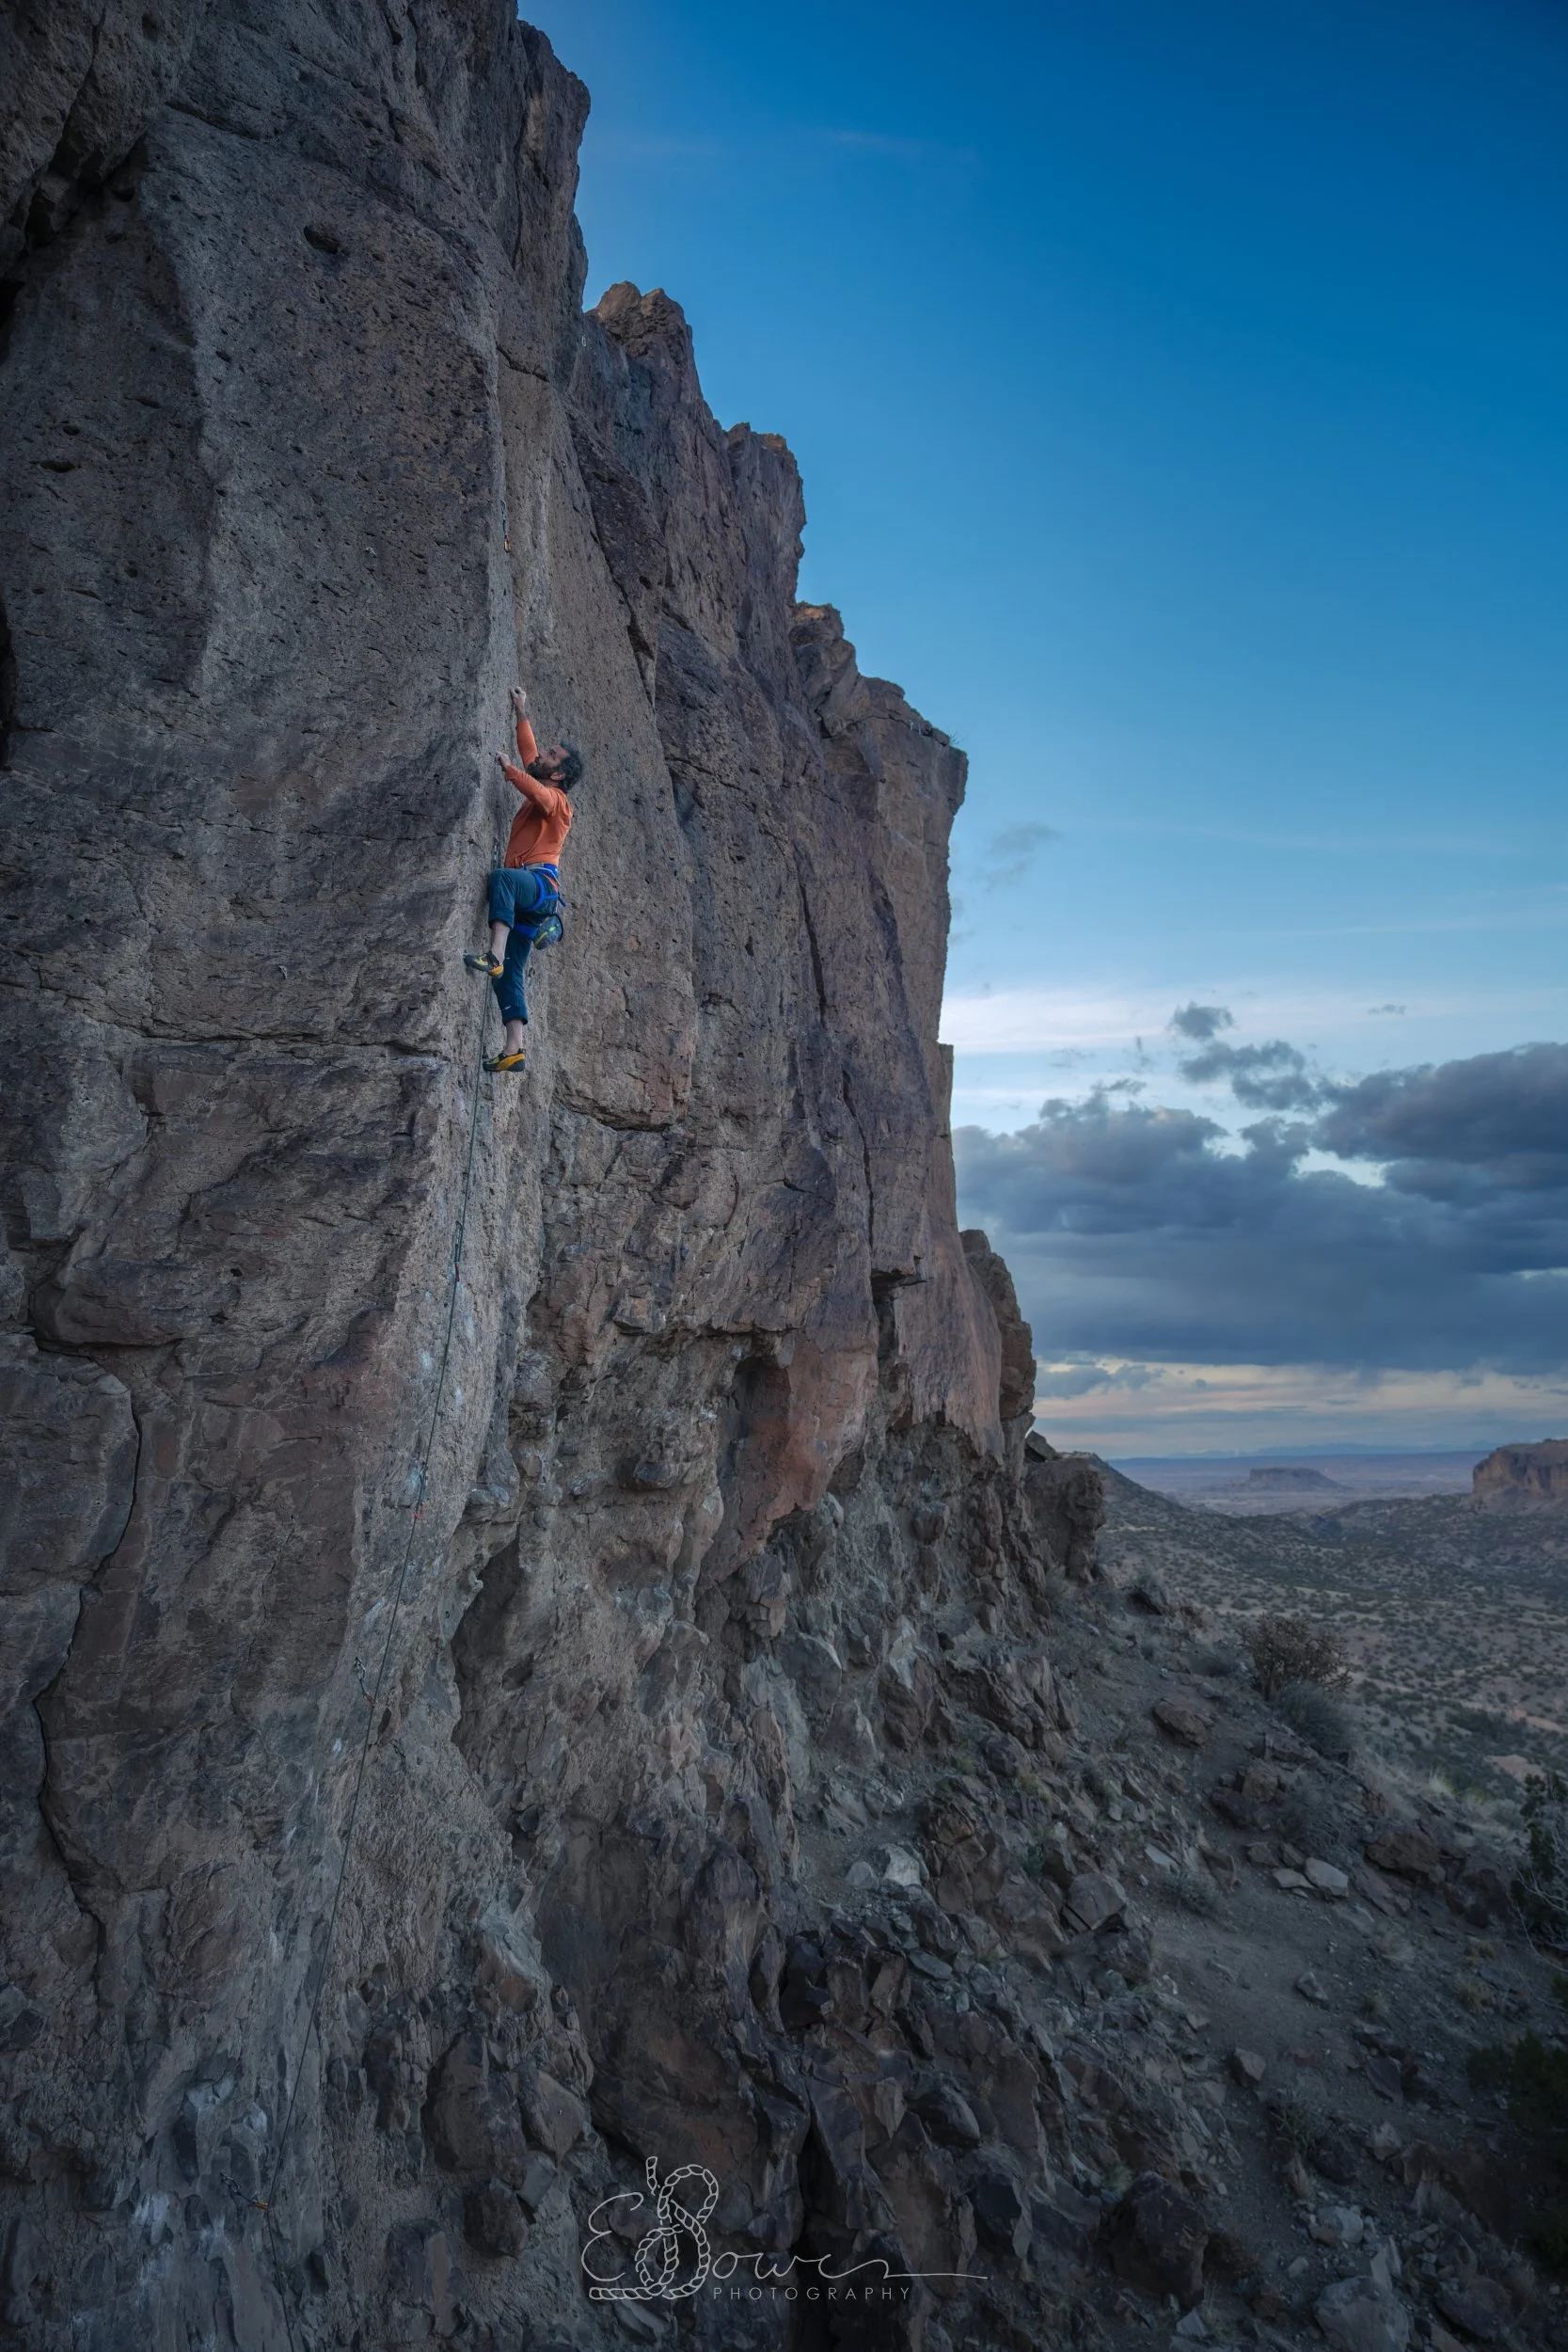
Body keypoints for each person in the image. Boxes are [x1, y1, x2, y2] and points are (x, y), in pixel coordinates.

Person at [465, 688, 583, 1072]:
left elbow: (539, 792)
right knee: (511, 973)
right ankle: (514, 1049)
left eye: (551, 756)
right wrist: (521, 712)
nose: (541, 757)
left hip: (538, 887)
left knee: (502, 878)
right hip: (531, 898)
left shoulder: (559, 802)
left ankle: (493, 954)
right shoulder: (542, 782)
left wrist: (510, 772)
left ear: (559, 773)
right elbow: (531, 761)